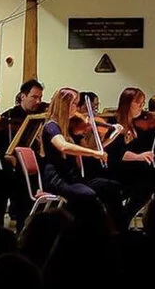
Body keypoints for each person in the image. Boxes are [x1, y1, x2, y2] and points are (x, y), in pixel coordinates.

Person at [37, 87, 123, 222]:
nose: (77, 108)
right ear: (64, 105)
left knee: (111, 187)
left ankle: (117, 229)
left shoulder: (69, 127)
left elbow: (90, 150)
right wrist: (95, 153)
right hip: (58, 178)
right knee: (87, 195)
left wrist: (112, 137)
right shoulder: (51, 126)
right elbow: (64, 147)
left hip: (73, 177)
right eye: (74, 104)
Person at [107, 86, 155, 220]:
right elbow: (116, 153)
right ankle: (124, 217)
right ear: (127, 103)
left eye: (143, 103)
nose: (141, 107)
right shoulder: (114, 124)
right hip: (115, 169)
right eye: (138, 103)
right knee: (147, 179)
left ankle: (125, 216)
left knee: (153, 173)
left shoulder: (135, 125)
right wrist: (139, 156)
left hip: (131, 169)